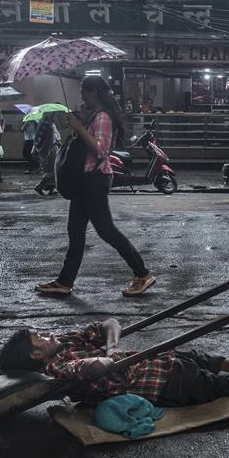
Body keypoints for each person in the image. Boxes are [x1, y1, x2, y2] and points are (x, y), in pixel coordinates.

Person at [0, 318, 229, 406]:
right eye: (39, 338)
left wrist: (111, 349)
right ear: (35, 355)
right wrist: (105, 358)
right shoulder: (60, 367)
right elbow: (91, 370)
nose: (47, 335)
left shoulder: (67, 342)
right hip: (164, 384)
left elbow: (111, 323)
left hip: (165, 359)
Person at [35, 76, 154, 298]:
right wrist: (78, 125)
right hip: (85, 182)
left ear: (94, 93)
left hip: (94, 181)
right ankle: (64, 281)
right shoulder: (93, 117)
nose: (81, 96)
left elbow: (101, 150)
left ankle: (143, 274)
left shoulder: (103, 118)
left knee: (106, 231)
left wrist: (79, 127)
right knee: (76, 232)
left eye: (84, 91)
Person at [32, 112, 61, 195]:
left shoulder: (49, 124)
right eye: (54, 115)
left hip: (51, 149)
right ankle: (40, 186)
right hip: (48, 151)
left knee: (53, 169)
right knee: (50, 170)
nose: (55, 116)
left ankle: (52, 189)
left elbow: (55, 136)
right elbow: (40, 138)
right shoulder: (46, 124)